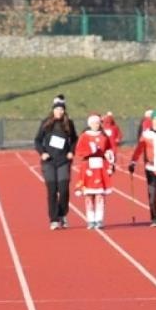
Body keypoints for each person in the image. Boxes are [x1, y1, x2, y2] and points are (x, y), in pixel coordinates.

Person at [34, 97, 77, 229]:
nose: (59, 111)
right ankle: (53, 219)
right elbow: (37, 140)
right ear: (53, 110)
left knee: (63, 190)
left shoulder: (68, 123)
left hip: (63, 160)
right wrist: (42, 153)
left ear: (64, 111)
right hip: (49, 162)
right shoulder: (46, 123)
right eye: (57, 109)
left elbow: (75, 140)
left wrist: (71, 151)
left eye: (61, 109)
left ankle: (62, 214)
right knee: (52, 191)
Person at [129, 110, 156, 225]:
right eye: (155, 119)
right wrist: (133, 161)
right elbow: (139, 149)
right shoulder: (146, 134)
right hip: (151, 167)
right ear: (152, 121)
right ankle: (154, 218)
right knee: (152, 195)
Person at [73, 113, 117, 230]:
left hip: (100, 167)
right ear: (89, 124)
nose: (95, 125)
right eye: (93, 123)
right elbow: (79, 151)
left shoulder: (104, 136)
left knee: (99, 194)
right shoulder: (84, 136)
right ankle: (90, 219)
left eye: (97, 123)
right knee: (88, 195)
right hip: (88, 167)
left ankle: (99, 219)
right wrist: (89, 151)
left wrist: (110, 160)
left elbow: (109, 149)